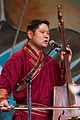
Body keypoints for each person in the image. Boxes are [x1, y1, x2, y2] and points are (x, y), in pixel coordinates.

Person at [0, 19, 72, 120]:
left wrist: (65, 63)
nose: (47, 36)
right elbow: (5, 81)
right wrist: (3, 100)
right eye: (42, 32)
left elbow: (60, 84)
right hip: (26, 114)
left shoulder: (51, 62)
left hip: (49, 116)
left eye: (48, 33)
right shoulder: (19, 57)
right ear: (30, 34)